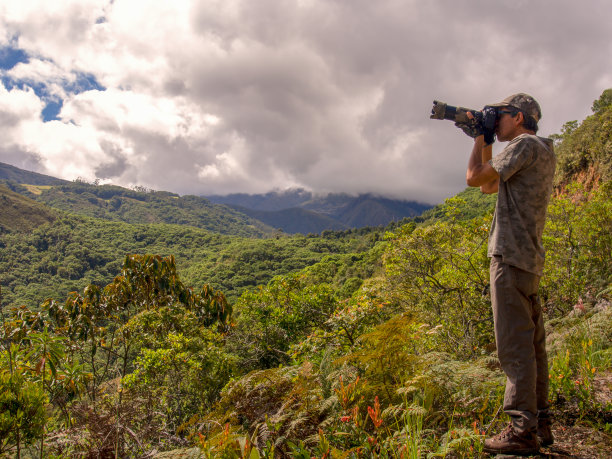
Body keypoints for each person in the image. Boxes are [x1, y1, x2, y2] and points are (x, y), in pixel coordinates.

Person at [460, 93, 556, 455]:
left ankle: (520, 429)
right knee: (533, 347)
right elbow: (488, 185)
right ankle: (540, 421)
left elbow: (473, 178)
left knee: (514, 348)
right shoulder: (542, 149)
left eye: (498, 117)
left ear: (518, 117)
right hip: (528, 258)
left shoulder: (523, 145)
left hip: (509, 256)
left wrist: (478, 139)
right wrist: (484, 137)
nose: (495, 122)